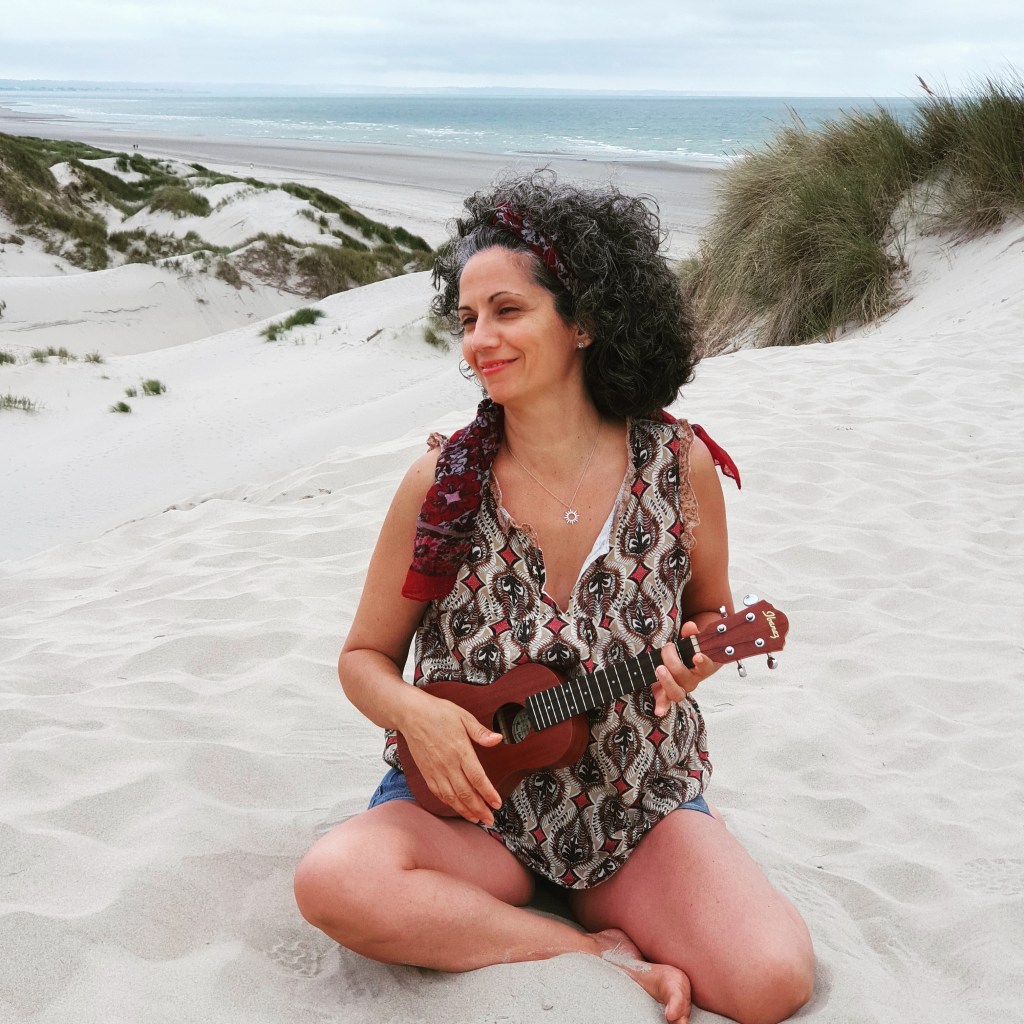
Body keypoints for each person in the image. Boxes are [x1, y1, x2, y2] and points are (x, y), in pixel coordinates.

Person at [294, 172, 814, 1024]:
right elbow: (363, 659)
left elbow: (712, 619)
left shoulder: (678, 467)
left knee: (772, 980)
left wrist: (695, 663)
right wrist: (417, 715)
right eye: (467, 319)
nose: (479, 340)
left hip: (631, 797)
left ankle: (580, 905)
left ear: (583, 321)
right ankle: (591, 950)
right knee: (335, 880)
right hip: (473, 810)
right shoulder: (440, 483)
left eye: (507, 310)